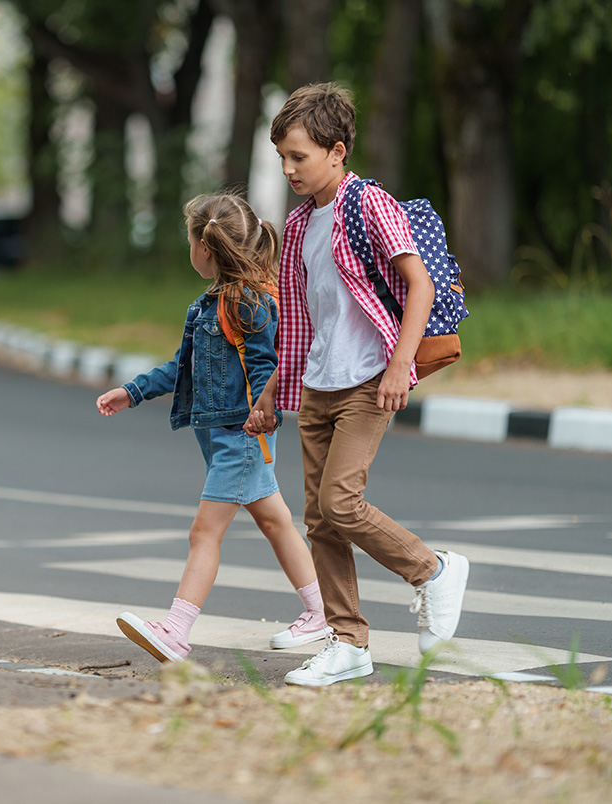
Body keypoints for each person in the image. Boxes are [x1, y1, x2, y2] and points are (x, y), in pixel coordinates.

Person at [245, 82, 469, 687]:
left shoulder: (367, 203)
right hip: (319, 383)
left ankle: (432, 568)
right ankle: (349, 644)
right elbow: (298, 318)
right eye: (283, 158)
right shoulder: (296, 226)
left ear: (338, 150)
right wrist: (271, 391)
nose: (289, 169)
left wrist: (401, 364)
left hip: (369, 379)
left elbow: (417, 285)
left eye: (300, 156)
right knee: (320, 519)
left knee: (342, 502)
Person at [96, 192, 327, 665]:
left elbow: (269, 366)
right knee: (275, 520)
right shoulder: (208, 305)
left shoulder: (250, 304)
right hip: (226, 435)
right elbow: (183, 368)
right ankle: (322, 612)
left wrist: (264, 415)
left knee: (204, 533)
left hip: (241, 436)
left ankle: (176, 632)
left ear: (205, 247)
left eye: (188, 241)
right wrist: (134, 391)